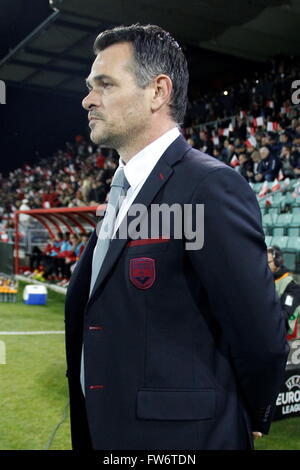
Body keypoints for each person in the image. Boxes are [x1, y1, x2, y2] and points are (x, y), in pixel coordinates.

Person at [65, 24, 289, 451]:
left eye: (105, 85)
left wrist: (253, 410)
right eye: (90, 87)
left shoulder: (209, 187)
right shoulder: (120, 191)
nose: (88, 99)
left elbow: (260, 334)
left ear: (157, 92)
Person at [267, 246, 300, 339]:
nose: (264, 265)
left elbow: (284, 314)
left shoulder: (291, 286)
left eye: (268, 262)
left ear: (278, 261)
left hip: (278, 334)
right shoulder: (264, 279)